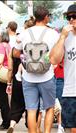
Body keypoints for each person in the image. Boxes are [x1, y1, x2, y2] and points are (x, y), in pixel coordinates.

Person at [12, 6, 59, 133]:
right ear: (46, 17)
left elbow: (15, 53)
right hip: (47, 76)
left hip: (28, 76)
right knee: (49, 108)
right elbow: (57, 54)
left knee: (31, 109)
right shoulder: (53, 33)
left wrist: (26, 56)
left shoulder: (24, 33)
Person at [50, 4, 76, 133]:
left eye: (74, 16)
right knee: (72, 129)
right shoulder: (66, 38)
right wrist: (62, 37)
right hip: (71, 91)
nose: (71, 20)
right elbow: (54, 59)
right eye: (69, 17)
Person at [6, 21, 25, 133]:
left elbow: (10, 68)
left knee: (16, 103)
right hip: (30, 79)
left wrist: (9, 83)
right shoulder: (32, 50)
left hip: (17, 80)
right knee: (31, 105)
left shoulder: (13, 51)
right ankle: (33, 126)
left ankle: (12, 124)